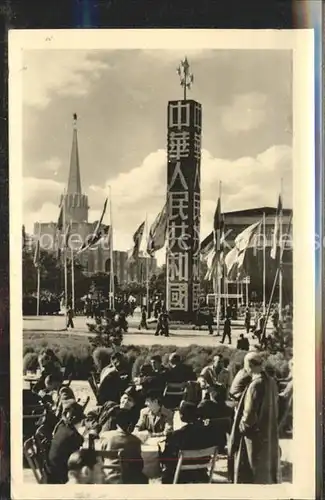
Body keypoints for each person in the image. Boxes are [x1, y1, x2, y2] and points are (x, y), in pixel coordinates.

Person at [228, 352, 279, 484]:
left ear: (249, 365)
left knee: (251, 475)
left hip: (254, 437)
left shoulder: (255, 384)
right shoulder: (271, 382)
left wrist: (241, 428)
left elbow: (249, 415)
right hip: (268, 431)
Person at [160, 401, 219, 484]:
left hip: (181, 474)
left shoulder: (177, 434)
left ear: (181, 416)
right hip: (201, 472)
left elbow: (166, 458)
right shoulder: (208, 433)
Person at [100, 409, 148, 484]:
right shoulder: (135, 440)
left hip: (108, 475)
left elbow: (102, 457)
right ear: (130, 423)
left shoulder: (105, 436)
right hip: (128, 478)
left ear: (116, 422)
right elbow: (139, 464)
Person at [47, 402, 85, 484]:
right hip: (61, 473)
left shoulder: (61, 426)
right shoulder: (72, 434)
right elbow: (80, 448)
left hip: (52, 467)